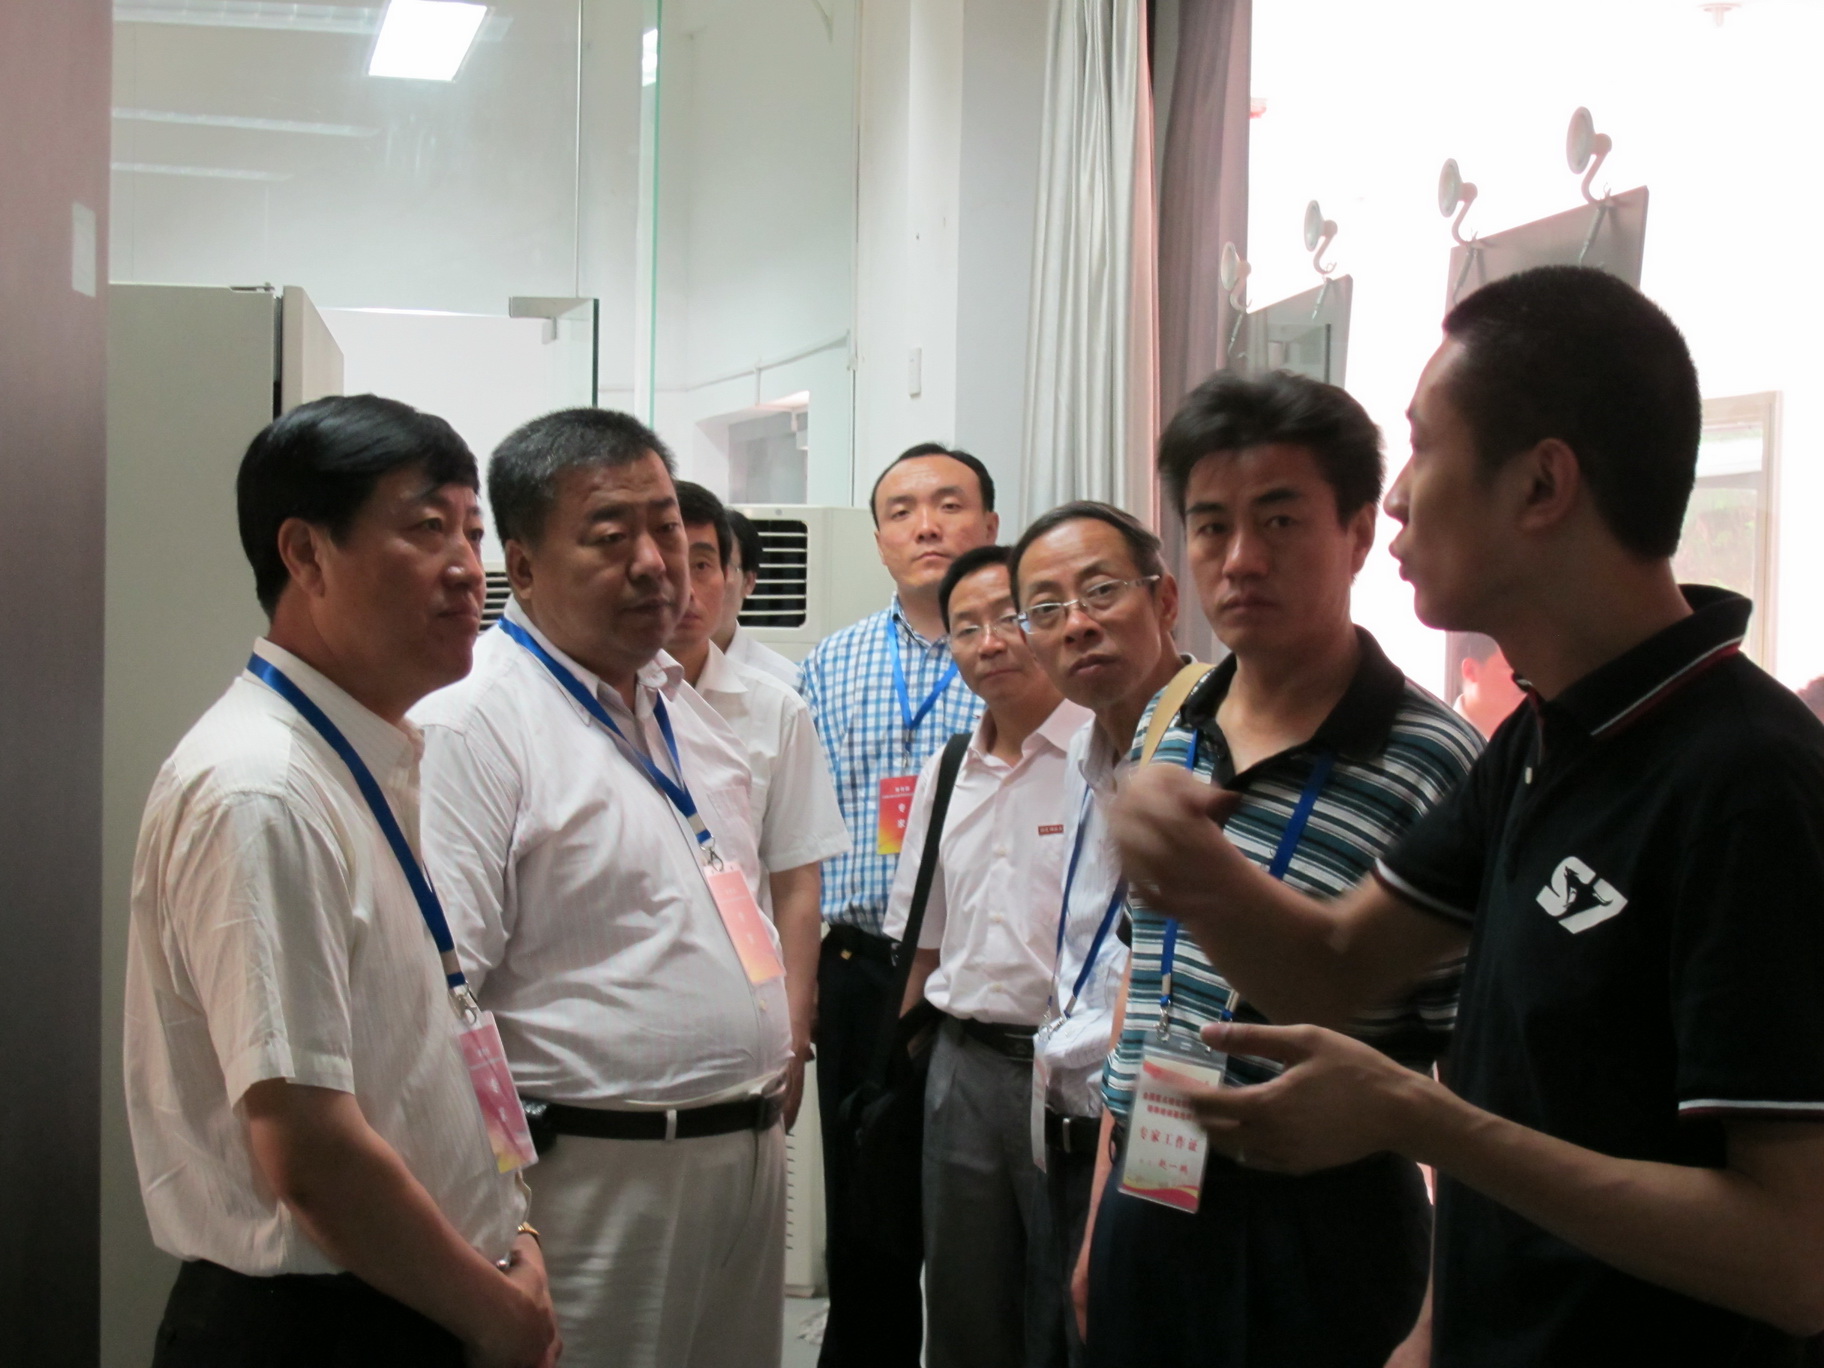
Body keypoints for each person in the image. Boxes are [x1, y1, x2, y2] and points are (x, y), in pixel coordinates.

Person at [1112, 267, 1824, 1366]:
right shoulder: (1540, 741)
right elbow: (1337, 967)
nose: (1397, 500)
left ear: (1541, 486)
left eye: (1422, 448)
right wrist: (1191, 864)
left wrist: (1421, 1120)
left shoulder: (1748, 779)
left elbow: (1795, 1258)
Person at [124, 395, 557, 1368]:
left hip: (418, 1292)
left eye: (472, 531)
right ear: (306, 554)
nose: (468, 568)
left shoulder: (368, 758)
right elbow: (310, 1146)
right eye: (427, 528)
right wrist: (494, 1316)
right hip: (320, 1325)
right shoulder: (262, 789)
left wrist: (513, 1233)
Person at [1076, 371, 1483, 1368]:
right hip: (1153, 1181)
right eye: (1211, 526)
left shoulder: (1436, 762)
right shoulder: (1171, 723)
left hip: (1325, 1221)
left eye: (1280, 520)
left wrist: (1439, 1320)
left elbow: (1477, 1068)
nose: (1241, 559)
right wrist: (1100, 1220)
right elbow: (1143, 985)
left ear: (1357, 533)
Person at [414, 410, 791, 1368]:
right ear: (524, 565)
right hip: (590, 1181)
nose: (655, 563)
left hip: (743, 1158)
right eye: (611, 535)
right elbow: (443, 1009)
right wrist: (506, 1212)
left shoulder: (682, 712)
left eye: (667, 529)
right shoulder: (474, 724)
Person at [798, 441, 999, 1367]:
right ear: (878, 538)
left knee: (981, 1228)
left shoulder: (1020, 658)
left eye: (950, 505)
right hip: (858, 972)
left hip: (979, 979)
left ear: (989, 525)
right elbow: (796, 839)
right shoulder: (828, 664)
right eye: (903, 511)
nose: (927, 526)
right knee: (865, 1218)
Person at [882, 545, 1092, 1368]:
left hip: (1072, 1073)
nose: (989, 642)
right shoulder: (945, 773)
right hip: (961, 1069)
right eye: (965, 628)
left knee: (1071, 1306)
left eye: (1008, 618)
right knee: (965, 1310)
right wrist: (902, 1076)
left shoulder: (1102, 758)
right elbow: (922, 945)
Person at [1005, 502, 1181, 1367]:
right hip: (1068, 1132)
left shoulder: (1207, 752)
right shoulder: (1088, 753)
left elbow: (1176, 1011)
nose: (1076, 624)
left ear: (1165, 599)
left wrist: (1129, 1185)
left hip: (1156, 1148)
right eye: (1046, 609)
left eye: (1102, 591)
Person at [667, 479, 850, 1131]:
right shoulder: (587, 708)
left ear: (733, 577)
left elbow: (797, 883)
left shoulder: (777, 709)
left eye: (703, 564)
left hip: (747, 1016)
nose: (686, 587)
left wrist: (795, 1034)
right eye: (669, 564)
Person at [717, 506, 803, 686]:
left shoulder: (785, 682)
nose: (691, 585)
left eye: (706, 565)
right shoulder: (652, 672)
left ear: (748, 582)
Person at [1451, 631, 1524, 738]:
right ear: (1470, 670)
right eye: (1513, 667)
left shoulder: (1535, 737)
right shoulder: (1443, 740)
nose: (1526, 680)